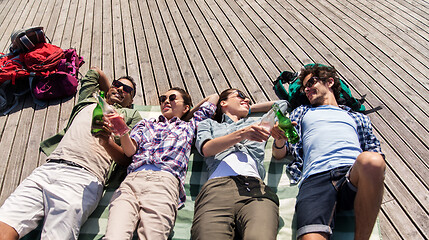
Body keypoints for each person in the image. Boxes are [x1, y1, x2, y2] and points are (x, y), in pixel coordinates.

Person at [0, 67, 142, 240]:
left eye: (127, 90)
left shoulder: (130, 114)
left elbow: (129, 158)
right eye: (117, 85)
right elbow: (95, 73)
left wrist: (107, 142)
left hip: (83, 178)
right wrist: (107, 96)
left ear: (131, 101)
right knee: (5, 224)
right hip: (48, 168)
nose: (120, 89)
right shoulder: (88, 101)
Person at [285, 64, 385, 240]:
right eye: (304, 88)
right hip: (315, 177)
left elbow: (373, 150)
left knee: (373, 161)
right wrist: (279, 138)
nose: (307, 89)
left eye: (311, 83)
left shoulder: (358, 117)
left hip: (351, 173)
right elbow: (285, 147)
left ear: (330, 82)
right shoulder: (301, 112)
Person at [102, 88, 219, 240]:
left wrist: (185, 115)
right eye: (163, 98)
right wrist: (123, 130)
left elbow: (214, 97)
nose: (165, 101)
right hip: (131, 181)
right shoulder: (146, 124)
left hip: (163, 183)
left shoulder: (190, 127)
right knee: (114, 237)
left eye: (172, 98)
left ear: (186, 107)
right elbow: (130, 151)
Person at [191, 88, 289, 240]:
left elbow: (281, 104)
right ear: (223, 103)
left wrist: (249, 108)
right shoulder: (208, 124)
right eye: (240, 96)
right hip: (217, 190)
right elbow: (206, 149)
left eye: (248, 98)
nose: (247, 99)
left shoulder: (258, 123)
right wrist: (242, 134)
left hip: (255, 189)